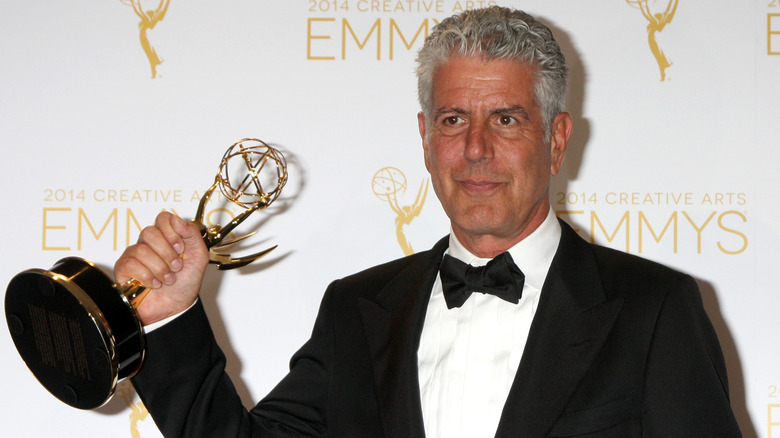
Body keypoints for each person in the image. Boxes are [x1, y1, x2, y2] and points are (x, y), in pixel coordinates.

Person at [116, 6, 741, 437]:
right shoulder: (356, 311)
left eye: (505, 119)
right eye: (451, 120)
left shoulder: (653, 310)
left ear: (555, 140)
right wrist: (168, 319)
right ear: (423, 138)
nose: (474, 149)